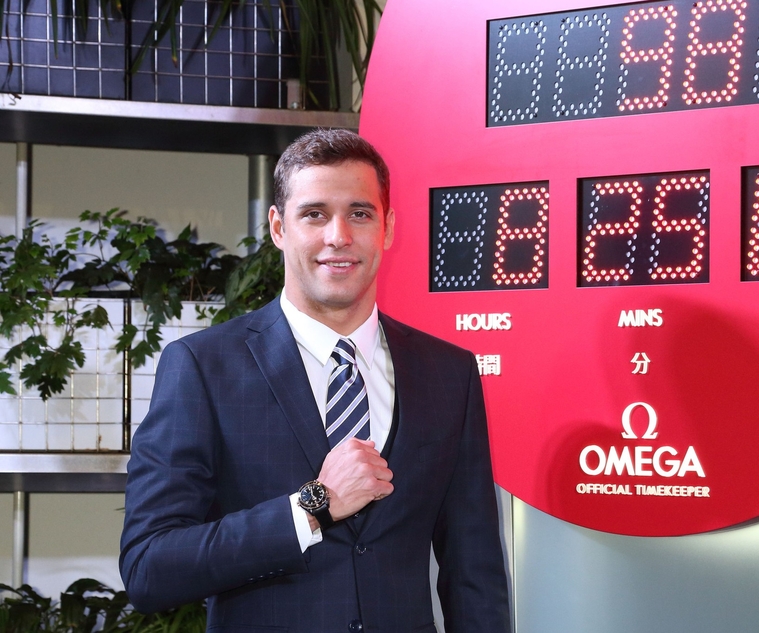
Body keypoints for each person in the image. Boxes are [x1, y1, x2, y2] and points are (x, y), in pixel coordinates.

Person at [119, 128, 511, 633]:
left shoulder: (448, 373)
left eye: (360, 213)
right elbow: (149, 567)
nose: (338, 236)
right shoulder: (203, 367)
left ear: (388, 228)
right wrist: (313, 507)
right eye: (315, 214)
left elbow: (475, 576)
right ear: (278, 227)